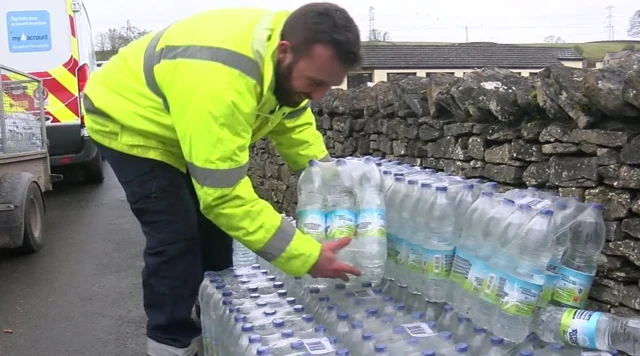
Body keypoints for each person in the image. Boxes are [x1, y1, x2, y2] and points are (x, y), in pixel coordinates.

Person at [82, 2, 363, 356]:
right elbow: (223, 197)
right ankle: (170, 342)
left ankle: (215, 315)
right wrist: (305, 256)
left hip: (183, 117)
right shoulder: (221, 79)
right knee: (177, 235)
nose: (318, 96)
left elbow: (293, 122)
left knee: (215, 235)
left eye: (330, 86)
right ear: (283, 52)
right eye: (315, 83)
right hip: (129, 121)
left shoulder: (288, 55)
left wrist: (329, 183)